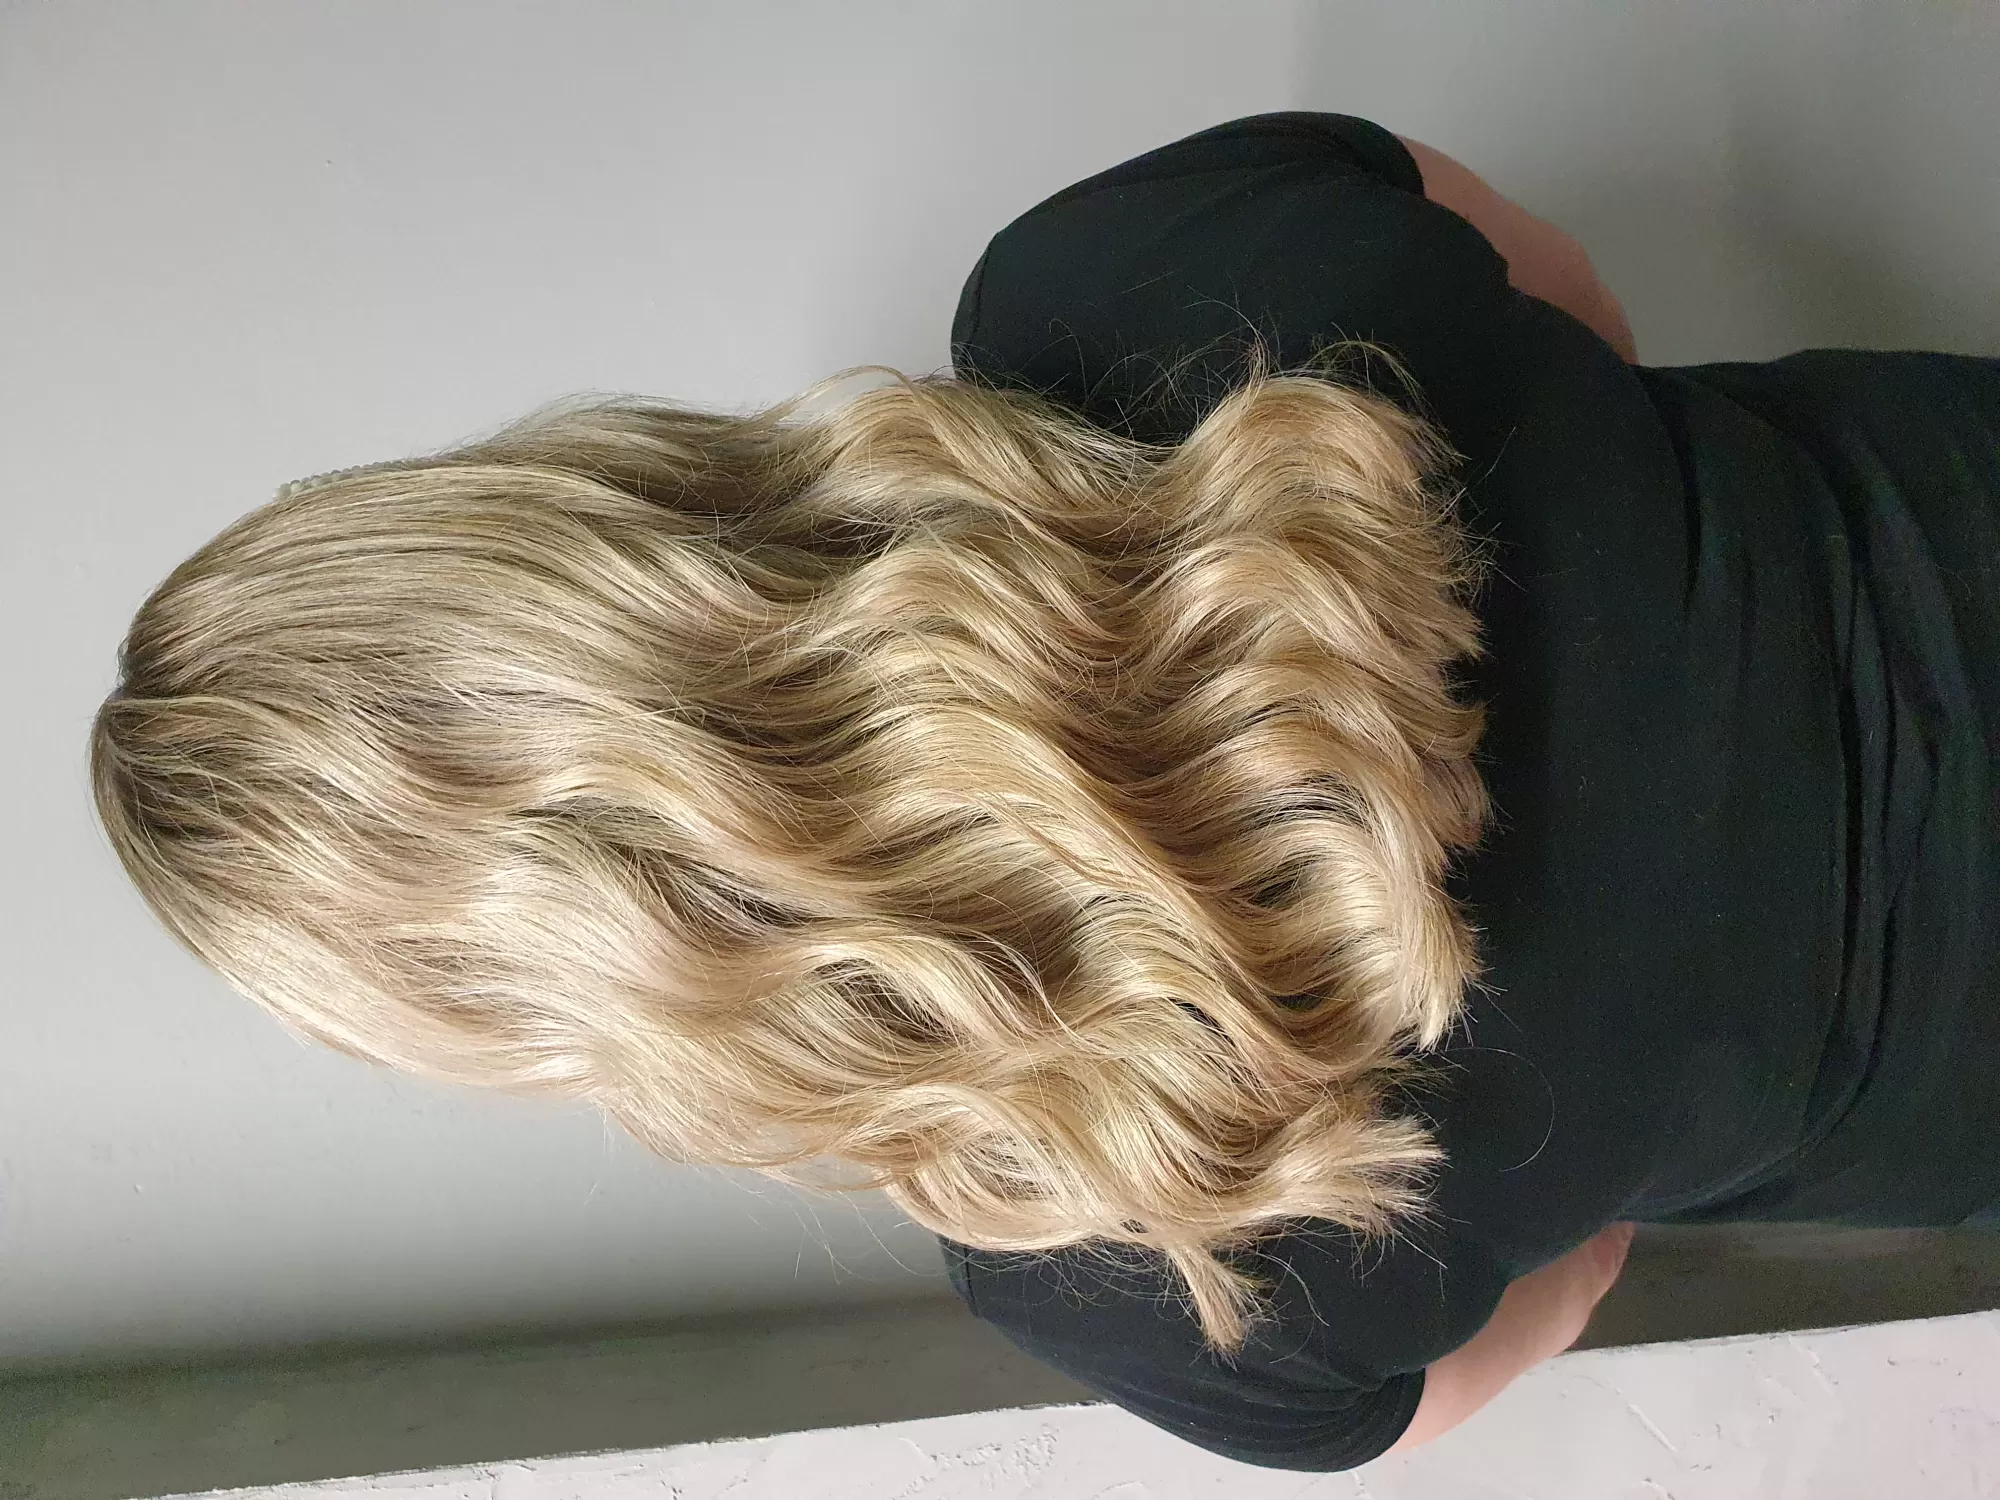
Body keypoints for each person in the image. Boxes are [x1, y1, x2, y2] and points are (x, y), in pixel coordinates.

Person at [90, 112, 2000, 1471]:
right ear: (578, 515)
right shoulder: (1116, 285)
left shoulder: (1148, 1251)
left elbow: (1559, 1303)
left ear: (542, 992)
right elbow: (1566, 296)